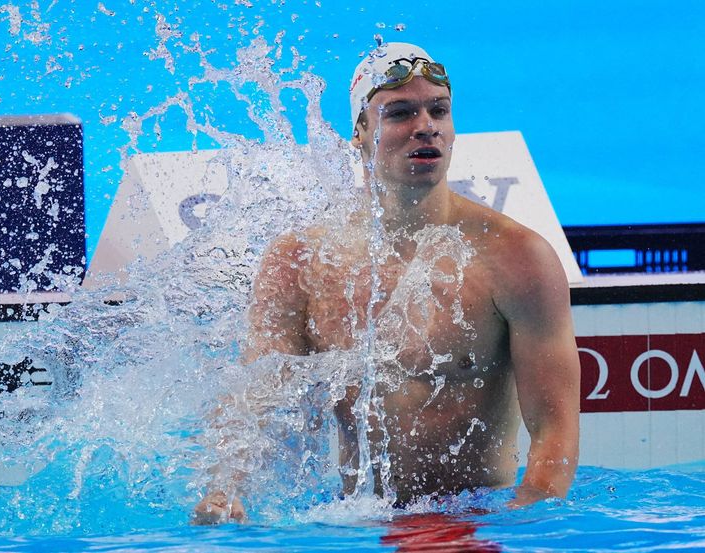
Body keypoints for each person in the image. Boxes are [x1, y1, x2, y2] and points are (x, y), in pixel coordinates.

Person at [194, 42, 580, 524]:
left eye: (439, 110)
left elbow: (554, 433)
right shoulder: (302, 261)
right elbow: (258, 404)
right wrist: (226, 489)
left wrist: (532, 521)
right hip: (356, 522)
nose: (426, 126)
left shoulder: (516, 257)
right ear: (359, 133)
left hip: (475, 519)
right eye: (400, 113)